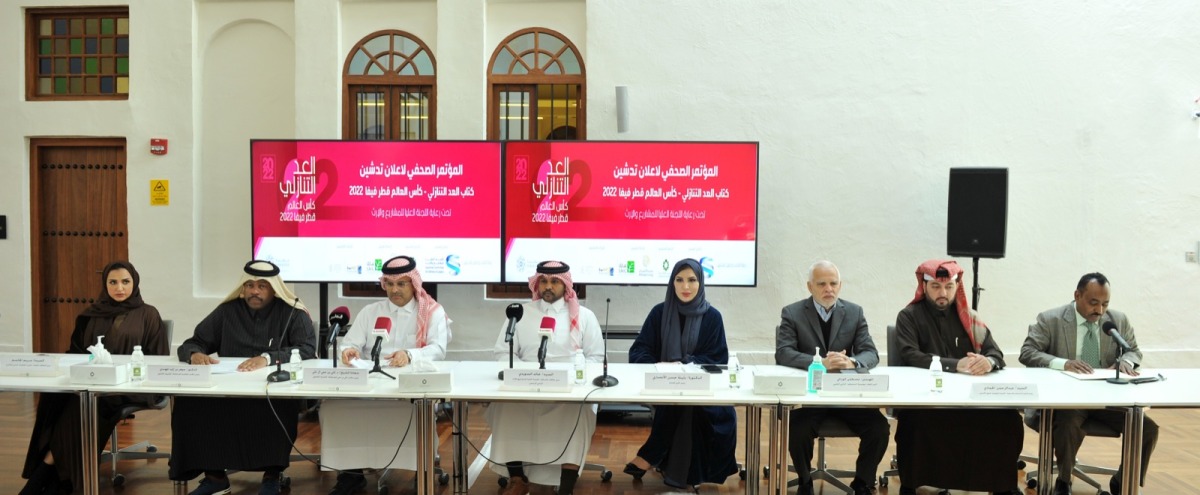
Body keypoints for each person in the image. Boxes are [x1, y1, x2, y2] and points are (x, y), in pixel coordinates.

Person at [20, 261, 169, 495]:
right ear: (105, 284)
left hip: (132, 386)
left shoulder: (148, 314)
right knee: (57, 399)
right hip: (92, 381)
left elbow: (158, 358)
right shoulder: (90, 314)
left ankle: (44, 478)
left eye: (125, 282)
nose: (119, 287)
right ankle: (61, 479)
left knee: (84, 405)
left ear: (135, 282)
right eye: (113, 282)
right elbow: (76, 352)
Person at [170, 260, 316, 495]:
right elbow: (193, 342)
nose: (254, 291)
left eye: (262, 286)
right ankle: (215, 477)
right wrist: (195, 354)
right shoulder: (227, 311)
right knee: (190, 403)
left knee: (277, 405)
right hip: (229, 388)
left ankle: (272, 476)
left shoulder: (292, 313)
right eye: (249, 285)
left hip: (272, 388)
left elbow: (307, 349)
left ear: (274, 289)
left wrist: (267, 358)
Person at [1019, 272, 1158, 495]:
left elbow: (1133, 351)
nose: (1100, 310)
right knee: (1068, 421)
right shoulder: (1050, 319)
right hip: (1065, 401)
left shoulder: (1117, 321)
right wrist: (1063, 363)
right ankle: (1063, 481)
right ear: (1077, 295)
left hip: (1106, 400)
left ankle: (1123, 480)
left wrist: (1125, 361)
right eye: (1093, 303)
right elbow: (1028, 352)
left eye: (1105, 304)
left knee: (1147, 428)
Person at [323, 255, 452, 495]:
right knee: (334, 407)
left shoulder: (432, 311)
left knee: (414, 410)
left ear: (413, 283)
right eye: (389, 284)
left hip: (411, 384)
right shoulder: (371, 311)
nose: (394, 290)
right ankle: (350, 474)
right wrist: (348, 351)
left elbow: (438, 349)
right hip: (371, 384)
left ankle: (420, 467)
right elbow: (350, 343)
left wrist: (410, 354)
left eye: (401, 284)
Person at [893, 259, 1022, 495]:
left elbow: (995, 353)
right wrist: (955, 365)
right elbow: (910, 355)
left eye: (949, 287)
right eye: (936, 287)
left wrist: (988, 362)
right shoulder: (909, 316)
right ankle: (912, 485)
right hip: (926, 400)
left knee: (1008, 420)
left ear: (956, 287)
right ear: (924, 286)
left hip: (969, 399)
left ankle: (1002, 487)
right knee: (914, 423)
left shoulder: (969, 318)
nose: (943, 293)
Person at [486, 261, 604, 495]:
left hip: (568, 390)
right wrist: (523, 375)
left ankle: (566, 486)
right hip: (525, 386)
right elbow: (502, 352)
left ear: (566, 285)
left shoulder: (585, 316)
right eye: (544, 281)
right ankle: (518, 479)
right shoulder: (520, 313)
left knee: (578, 413)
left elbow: (595, 357)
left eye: (555, 281)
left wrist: (572, 376)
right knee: (504, 407)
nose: (548, 286)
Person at [775, 261, 888, 495]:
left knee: (879, 428)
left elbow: (870, 353)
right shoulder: (792, 313)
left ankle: (862, 483)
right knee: (797, 429)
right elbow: (783, 352)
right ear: (810, 287)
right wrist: (819, 363)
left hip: (846, 395)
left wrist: (852, 362)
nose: (829, 289)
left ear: (840, 285)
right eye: (822, 284)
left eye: (833, 283)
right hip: (811, 397)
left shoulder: (854, 312)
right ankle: (805, 481)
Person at [625, 258, 739, 489]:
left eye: (692, 280)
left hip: (704, 390)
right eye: (679, 280)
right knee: (679, 400)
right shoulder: (659, 313)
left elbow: (718, 358)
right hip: (664, 385)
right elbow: (639, 350)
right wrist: (658, 365)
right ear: (672, 283)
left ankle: (651, 455)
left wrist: (685, 364)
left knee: (686, 404)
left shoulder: (712, 317)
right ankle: (682, 476)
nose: (685, 286)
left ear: (701, 282)